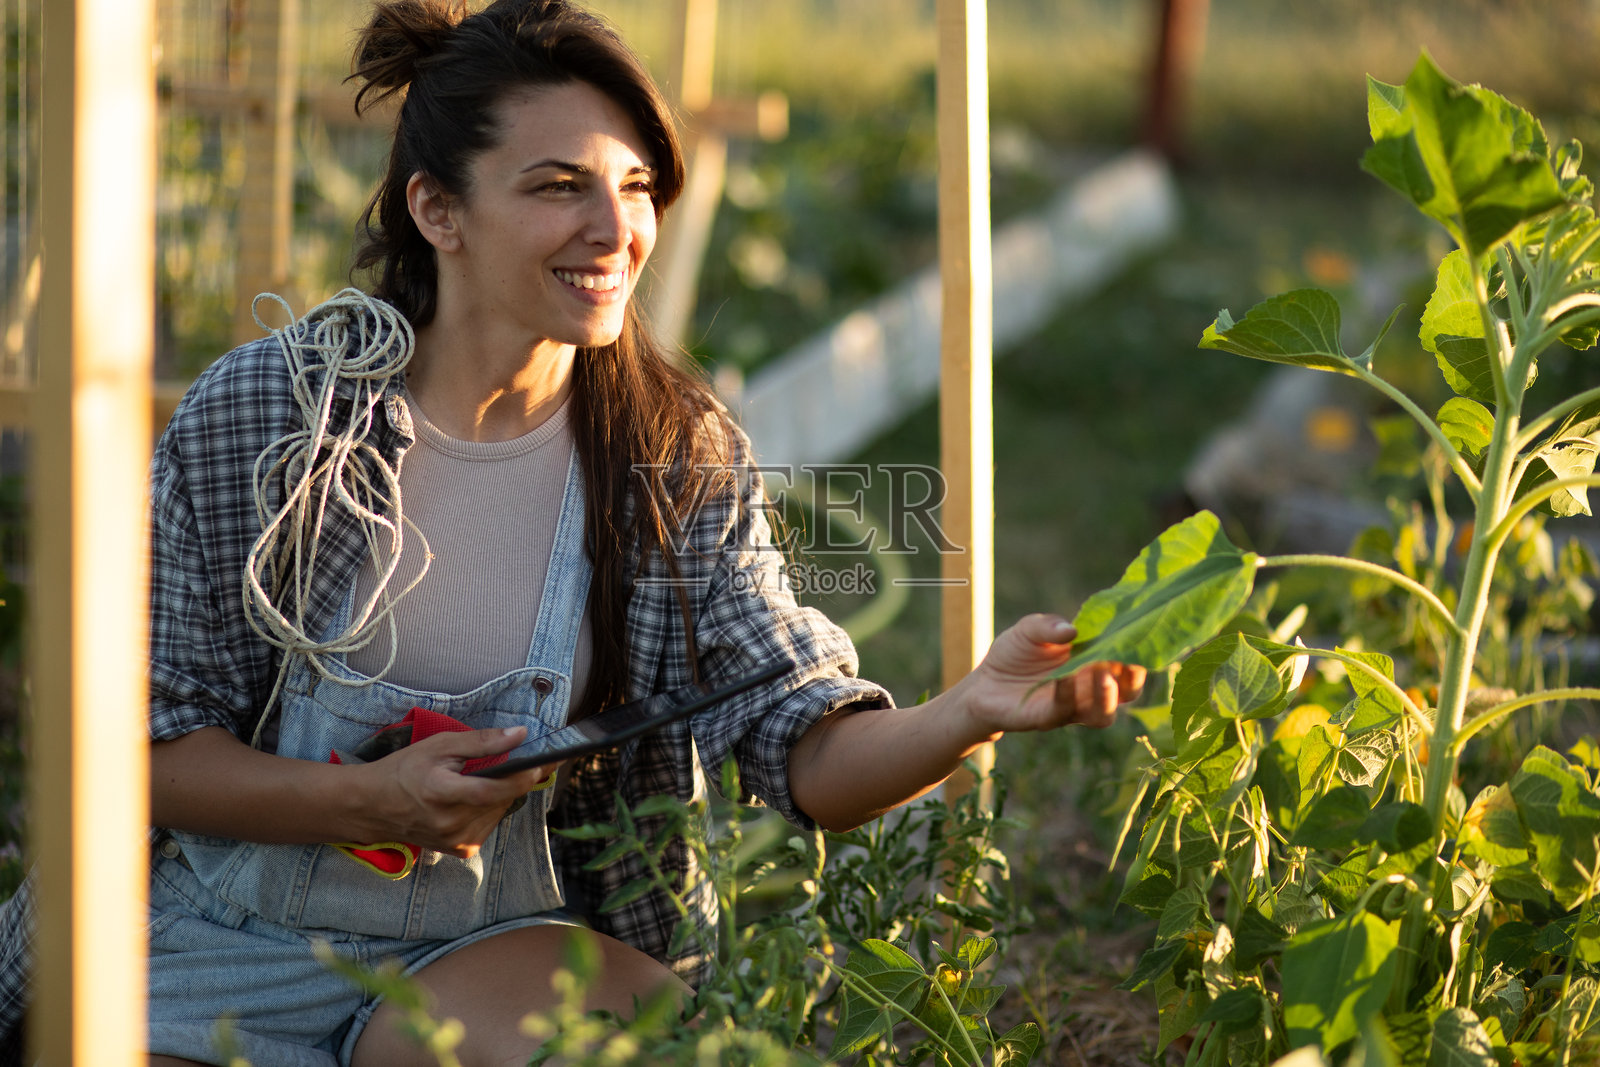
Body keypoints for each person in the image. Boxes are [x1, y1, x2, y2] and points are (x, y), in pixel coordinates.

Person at [0, 1, 1146, 1064]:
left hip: (493, 936)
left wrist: (967, 709)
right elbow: (134, 751)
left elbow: (795, 741)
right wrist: (371, 801)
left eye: (638, 185)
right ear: (435, 209)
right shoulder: (269, 414)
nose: (617, 228)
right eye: (558, 186)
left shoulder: (668, 449)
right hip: (217, 933)